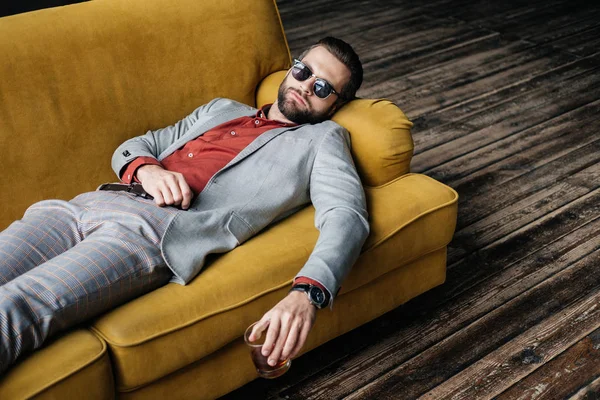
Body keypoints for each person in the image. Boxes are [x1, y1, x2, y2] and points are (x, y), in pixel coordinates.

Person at [0, 36, 369, 374]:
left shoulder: (324, 140)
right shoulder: (221, 108)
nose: (305, 85)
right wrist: (148, 171)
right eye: (303, 71)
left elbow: (346, 215)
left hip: (147, 235)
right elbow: (137, 144)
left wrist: (309, 292)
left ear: (337, 104)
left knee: (15, 306)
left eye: (321, 87)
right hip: (85, 205)